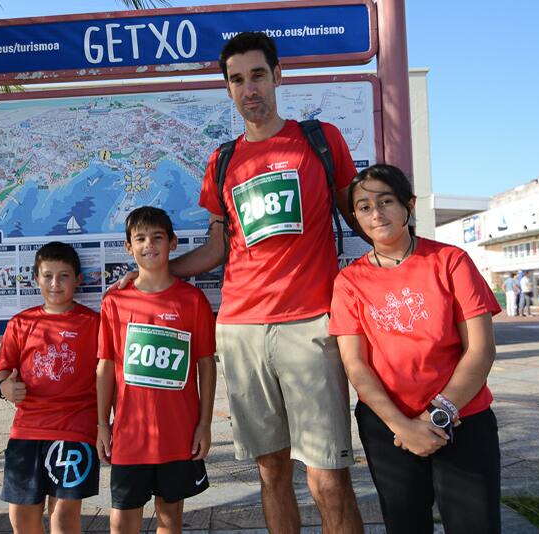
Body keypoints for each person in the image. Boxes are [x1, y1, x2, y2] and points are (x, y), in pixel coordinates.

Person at [116, 31, 363, 533]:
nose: (249, 88)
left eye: (257, 75)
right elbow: (216, 249)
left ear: (277, 76)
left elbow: (358, 216)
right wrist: (151, 273)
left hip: (310, 324)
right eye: (236, 80)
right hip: (241, 329)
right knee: (271, 471)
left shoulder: (321, 139)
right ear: (227, 89)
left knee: (327, 477)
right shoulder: (223, 160)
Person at [330, 164, 502, 534]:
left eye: (386, 201)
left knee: (476, 525)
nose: (376, 214)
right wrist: (402, 426)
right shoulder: (349, 282)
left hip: (462, 418)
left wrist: (435, 416)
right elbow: (355, 365)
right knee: (405, 525)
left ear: (408, 205)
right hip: (388, 428)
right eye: (363, 207)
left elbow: (481, 350)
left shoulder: (450, 261)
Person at [97, 206, 217, 533]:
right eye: (140, 239)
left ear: (173, 243)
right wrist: (101, 425)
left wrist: (205, 423)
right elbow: (105, 367)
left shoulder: (192, 301)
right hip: (129, 435)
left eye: (157, 238)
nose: (149, 245)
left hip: (178, 434)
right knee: (122, 521)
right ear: (128, 247)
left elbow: (206, 365)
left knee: (170, 518)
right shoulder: (115, 302)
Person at [0, 241, 100, 533]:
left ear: (78, 279)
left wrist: (106, 424)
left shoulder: (94, 323)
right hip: (27, 429)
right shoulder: (20, 323)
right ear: (36, 278)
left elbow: (108, 375)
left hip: (76, 430)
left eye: (64, 275)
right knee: (22, 519)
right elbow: (4, 370)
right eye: (48, 275)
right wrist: (5, 387)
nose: (55, 283)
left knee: (63, 519)